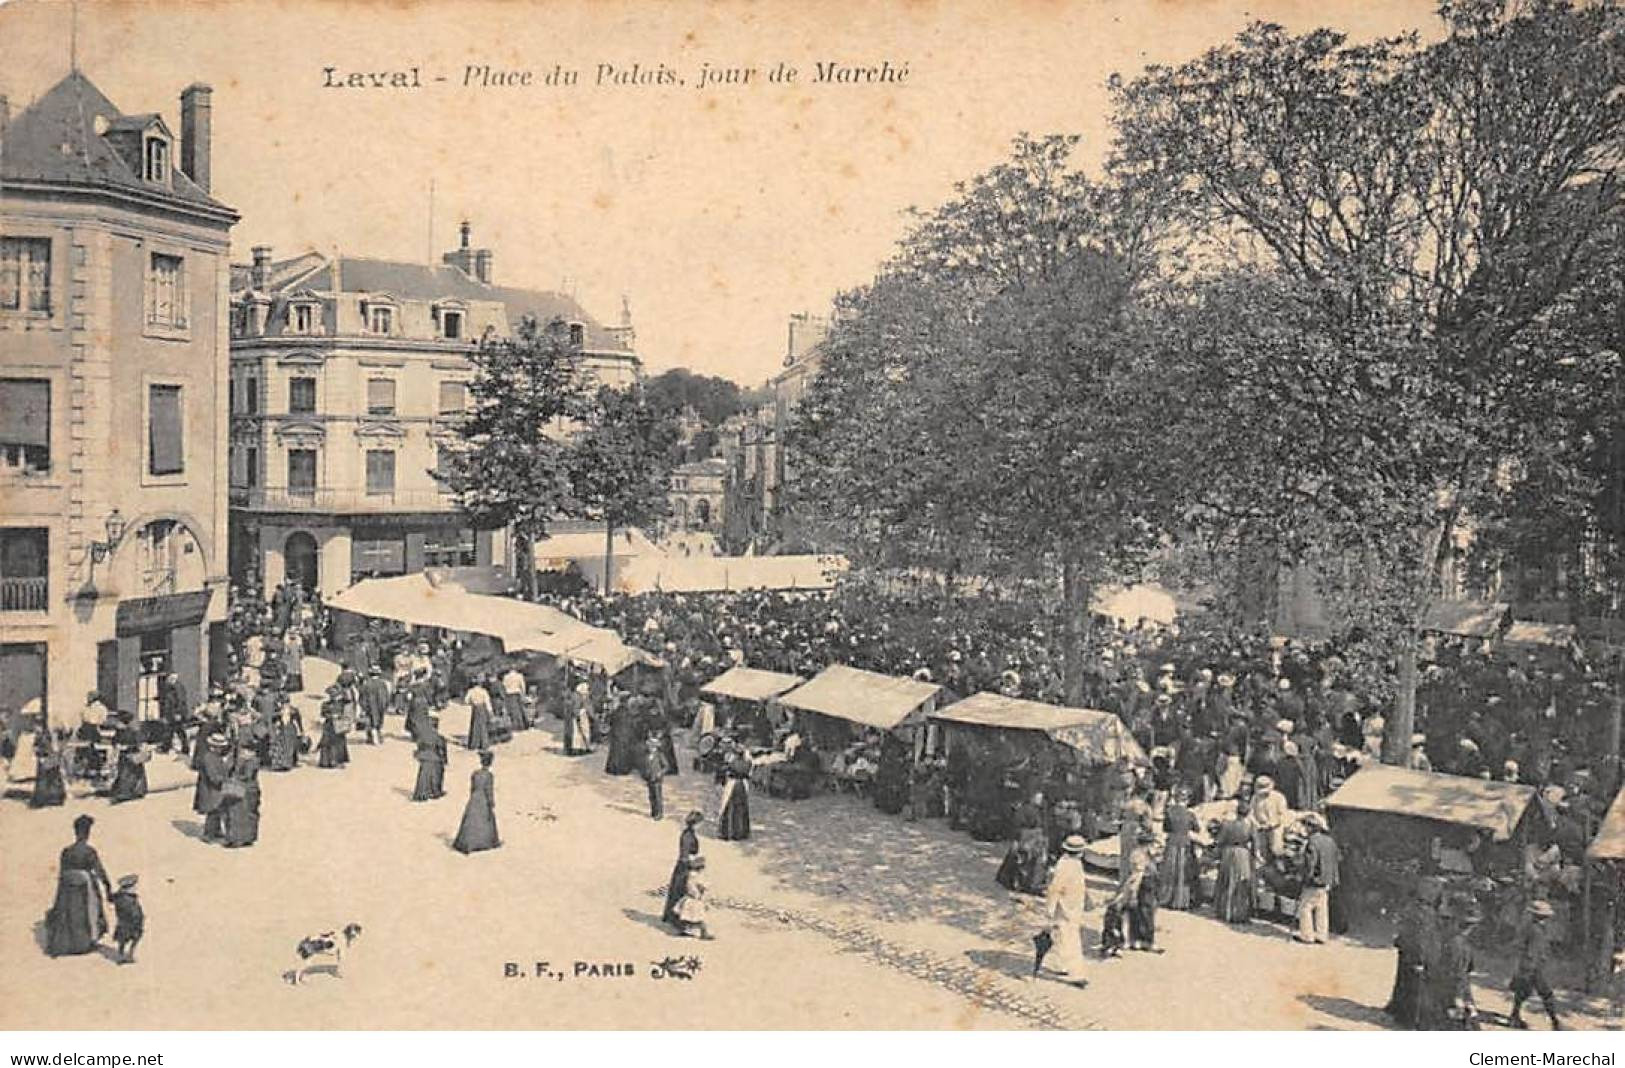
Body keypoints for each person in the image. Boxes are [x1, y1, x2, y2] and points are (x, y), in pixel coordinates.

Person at [43, 814, 112, 957]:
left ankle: (68, 943)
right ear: (87, 833)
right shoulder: (89, 851)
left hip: (67, 886)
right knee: (89, 911)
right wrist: (107, 886)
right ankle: (86, 943)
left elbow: (62, 872)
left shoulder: (66, 851)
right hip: (84, 885)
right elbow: (99, 870)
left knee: (68, 914)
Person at [1386, 877, 1443, 1028]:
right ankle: (1409, 1019)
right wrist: (1422, 959)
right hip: (1418, 955)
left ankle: (1399, 1011)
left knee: (1403, 981)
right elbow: (1422, 941)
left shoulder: (1412, 907)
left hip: (1406, 950)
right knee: (1415, 988)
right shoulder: (1427, 914)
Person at [1040, 834, 1090, 986]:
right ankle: (1076, 973)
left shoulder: (1074, 864)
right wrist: (1050, 908)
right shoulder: (1064, 865)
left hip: (1073, 906)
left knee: (1063, 936)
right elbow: (1055, 888)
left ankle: (1061, 965)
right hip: (1064, 906)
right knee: (1070, 937)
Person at [1510, 900, 1564, 1030]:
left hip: (1535, 965)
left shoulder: (1539, 927)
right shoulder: (1532, 928)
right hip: (1532, 966)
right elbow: (1521, 946)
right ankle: (1555, 1022)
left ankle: (1515, 1015)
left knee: (1523, 992)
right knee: (1544, 993)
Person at [1296, 812, 1340, 944]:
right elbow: (1336, 859)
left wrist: (1305, 877)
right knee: (1322, 908)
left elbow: (1311, 863)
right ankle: (1322, 935)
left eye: (1306, 826)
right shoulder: (1330, 841)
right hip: (1327, 880)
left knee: (1305, 907)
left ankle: (1307, 935)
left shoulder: (1312, 842)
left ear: (1311, 828)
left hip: (1315, 880)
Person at [1159, 786, 1199, 910]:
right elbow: (1196, 828)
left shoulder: (1169, 811)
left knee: (1169, 871)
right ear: (1187, 800)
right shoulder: (1190, 814)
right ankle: (1181, 900)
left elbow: (1165, 828)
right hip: (1185, 843)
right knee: (1183, 871)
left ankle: (1166, 897)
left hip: (1172, 842)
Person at [1211, 810, 1255, 924]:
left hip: (1228, 853)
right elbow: (1256, 845)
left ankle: (1224, 911)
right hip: (1243, 854)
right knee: (1240, 884)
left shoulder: (1227, 824)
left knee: (1226, 881)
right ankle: (1239, 913)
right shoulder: (1250, 826)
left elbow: (1220, 841)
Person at [453, 750, 500, 854]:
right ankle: (482, 842)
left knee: (471, 820)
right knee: (484, 820)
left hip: (474, 798)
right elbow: (489, 790)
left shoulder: (475, 773)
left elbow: (472, 788)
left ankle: (466, 842)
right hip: (483, 799)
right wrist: (491, 802)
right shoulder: (489, 776)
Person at [662, 812, 704, 925]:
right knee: (682, 892)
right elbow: (684, 855)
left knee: (677, 892)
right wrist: (694, 864)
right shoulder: (688, 836)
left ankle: (673, 916)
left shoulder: (688, 834)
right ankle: (679, 919)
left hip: (684, 865)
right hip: (684, 867)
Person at [194, 732, 230, 841]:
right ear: (213, 747)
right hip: (209, 788)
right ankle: (208, 834)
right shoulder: (209, 758)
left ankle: (216, 830)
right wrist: (221, 780)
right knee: (213, 810)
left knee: (218, 808)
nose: (221, 750)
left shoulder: (215, 756)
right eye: (219, 747)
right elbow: (212, 775)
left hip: (214, 787)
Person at [223, 746, 261, 848]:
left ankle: (236, 839)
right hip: (252, 790)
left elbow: (246, 776)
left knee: (237, 814)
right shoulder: (253, 761)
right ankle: (248, 837)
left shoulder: (249, 762)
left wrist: (234, 776)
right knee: (249, 814)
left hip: (244, 790)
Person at [672, 855, 714, 940]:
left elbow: (690, 886)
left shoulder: (690, 875)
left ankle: (687, 930)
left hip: (689, 898)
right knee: (699, 917)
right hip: (695, 899)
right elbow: (702, 886)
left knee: (687, 916)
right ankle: (703, 933)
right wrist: (703, 889)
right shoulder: (697, 876)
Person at [107, 722, 149, 804]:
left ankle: (131, 792)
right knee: (124, 774)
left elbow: (141, 743)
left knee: (131, 774)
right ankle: (127, 791)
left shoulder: (133, 731)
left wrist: (142, 751)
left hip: (132, 755)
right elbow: (115, 742)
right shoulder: (120, 731)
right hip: (124, 756)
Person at [716, 747, 752, 841]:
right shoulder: (747, 763)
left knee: (728, 807)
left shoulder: (732, 763)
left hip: (732, 784)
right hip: (743, 785)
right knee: (741, 808)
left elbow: (723, 771)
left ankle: (727, 833)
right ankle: (741, 833)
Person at [412, 715, 448, 802]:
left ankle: (421, 793)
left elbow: (419, 745)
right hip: (435, 758)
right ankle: (435, 791)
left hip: (424, 757)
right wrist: (445, 759)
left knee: (423, 776)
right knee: (436, 775)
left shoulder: (423, 736)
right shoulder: (439, 737)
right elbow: (442, 749)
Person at [110, 874, 144, 964]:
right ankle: (128, 955)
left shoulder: (122, 897)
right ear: (128, 888)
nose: (135, 888)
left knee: (123, 940)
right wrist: (139, 918)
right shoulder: (127, 899)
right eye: (133, 886)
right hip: (131, 923)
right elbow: (133, 911)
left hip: (124, 923)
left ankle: (123, 955)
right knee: (133, 938)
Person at [30, 728, 66, 808]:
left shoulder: (55, 733)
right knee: (45, 778)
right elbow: (37, 746)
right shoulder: (42, 734)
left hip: (52, 756)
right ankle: (43, 798)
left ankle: (55, 797)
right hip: (46, 756)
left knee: (53, 776)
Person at [358, 666, 391, 746]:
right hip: (380, 705)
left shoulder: (367, 684)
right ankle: (377, 737)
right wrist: (386, 705)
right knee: (379, 721)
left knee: (372, 722)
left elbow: (362, 696)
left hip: (370, 705)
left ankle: (374, 739)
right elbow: (386, 695)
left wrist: (363, 706)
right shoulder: (383, 683)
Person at [641, 733, 667, 820]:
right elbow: (645, 766)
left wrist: (660, 773)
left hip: (657, 778)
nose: (650, 748)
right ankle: (653, 811)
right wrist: (644, 774)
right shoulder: (647, 755)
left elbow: (666, 766)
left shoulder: (659, 755)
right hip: (649, 778)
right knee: (651, 795)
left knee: (657, 796)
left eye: (652, 746)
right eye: (649, 746)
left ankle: (659, 813)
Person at [465, 678, 493, 752]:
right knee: (483, 726)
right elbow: (487, 702)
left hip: (475, 708)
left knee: (474, 726)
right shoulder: (483, 691)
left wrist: (472, 702)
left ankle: (474, 744)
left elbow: (466, 701)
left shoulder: (471, 691)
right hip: (482, 707)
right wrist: (490, 711)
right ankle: (484, 744)